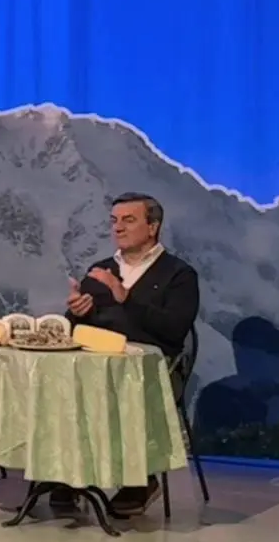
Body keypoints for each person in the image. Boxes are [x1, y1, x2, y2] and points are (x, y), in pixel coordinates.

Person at [67, 192, 199, 517]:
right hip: (96, 365)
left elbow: (174, 330)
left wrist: (125, 297)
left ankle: (139, 480)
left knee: (118, 387)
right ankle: (64, 473)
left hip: (154, 371)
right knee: (57, 383)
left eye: (128, 220)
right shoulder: (101, 269)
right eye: (114, 221)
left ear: (153, 227)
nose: (118, 228)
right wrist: (77, 312)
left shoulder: (179, 275)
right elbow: (77, 327)